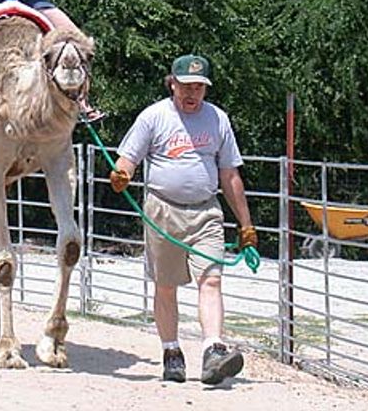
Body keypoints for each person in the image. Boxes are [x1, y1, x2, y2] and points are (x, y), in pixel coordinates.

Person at [109, 54, 257, 385]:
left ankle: (213, 351)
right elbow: (128, 157)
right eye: (186, 86)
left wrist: (245, 224)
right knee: (166, 286)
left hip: (206, 211)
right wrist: (122, 174)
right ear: (171, 83)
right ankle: (171, 351)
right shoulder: (154, 116)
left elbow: (230, 174)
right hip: (163, 211)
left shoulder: (218, 119)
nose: (192, 94)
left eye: (199, 88)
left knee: (212, 278)